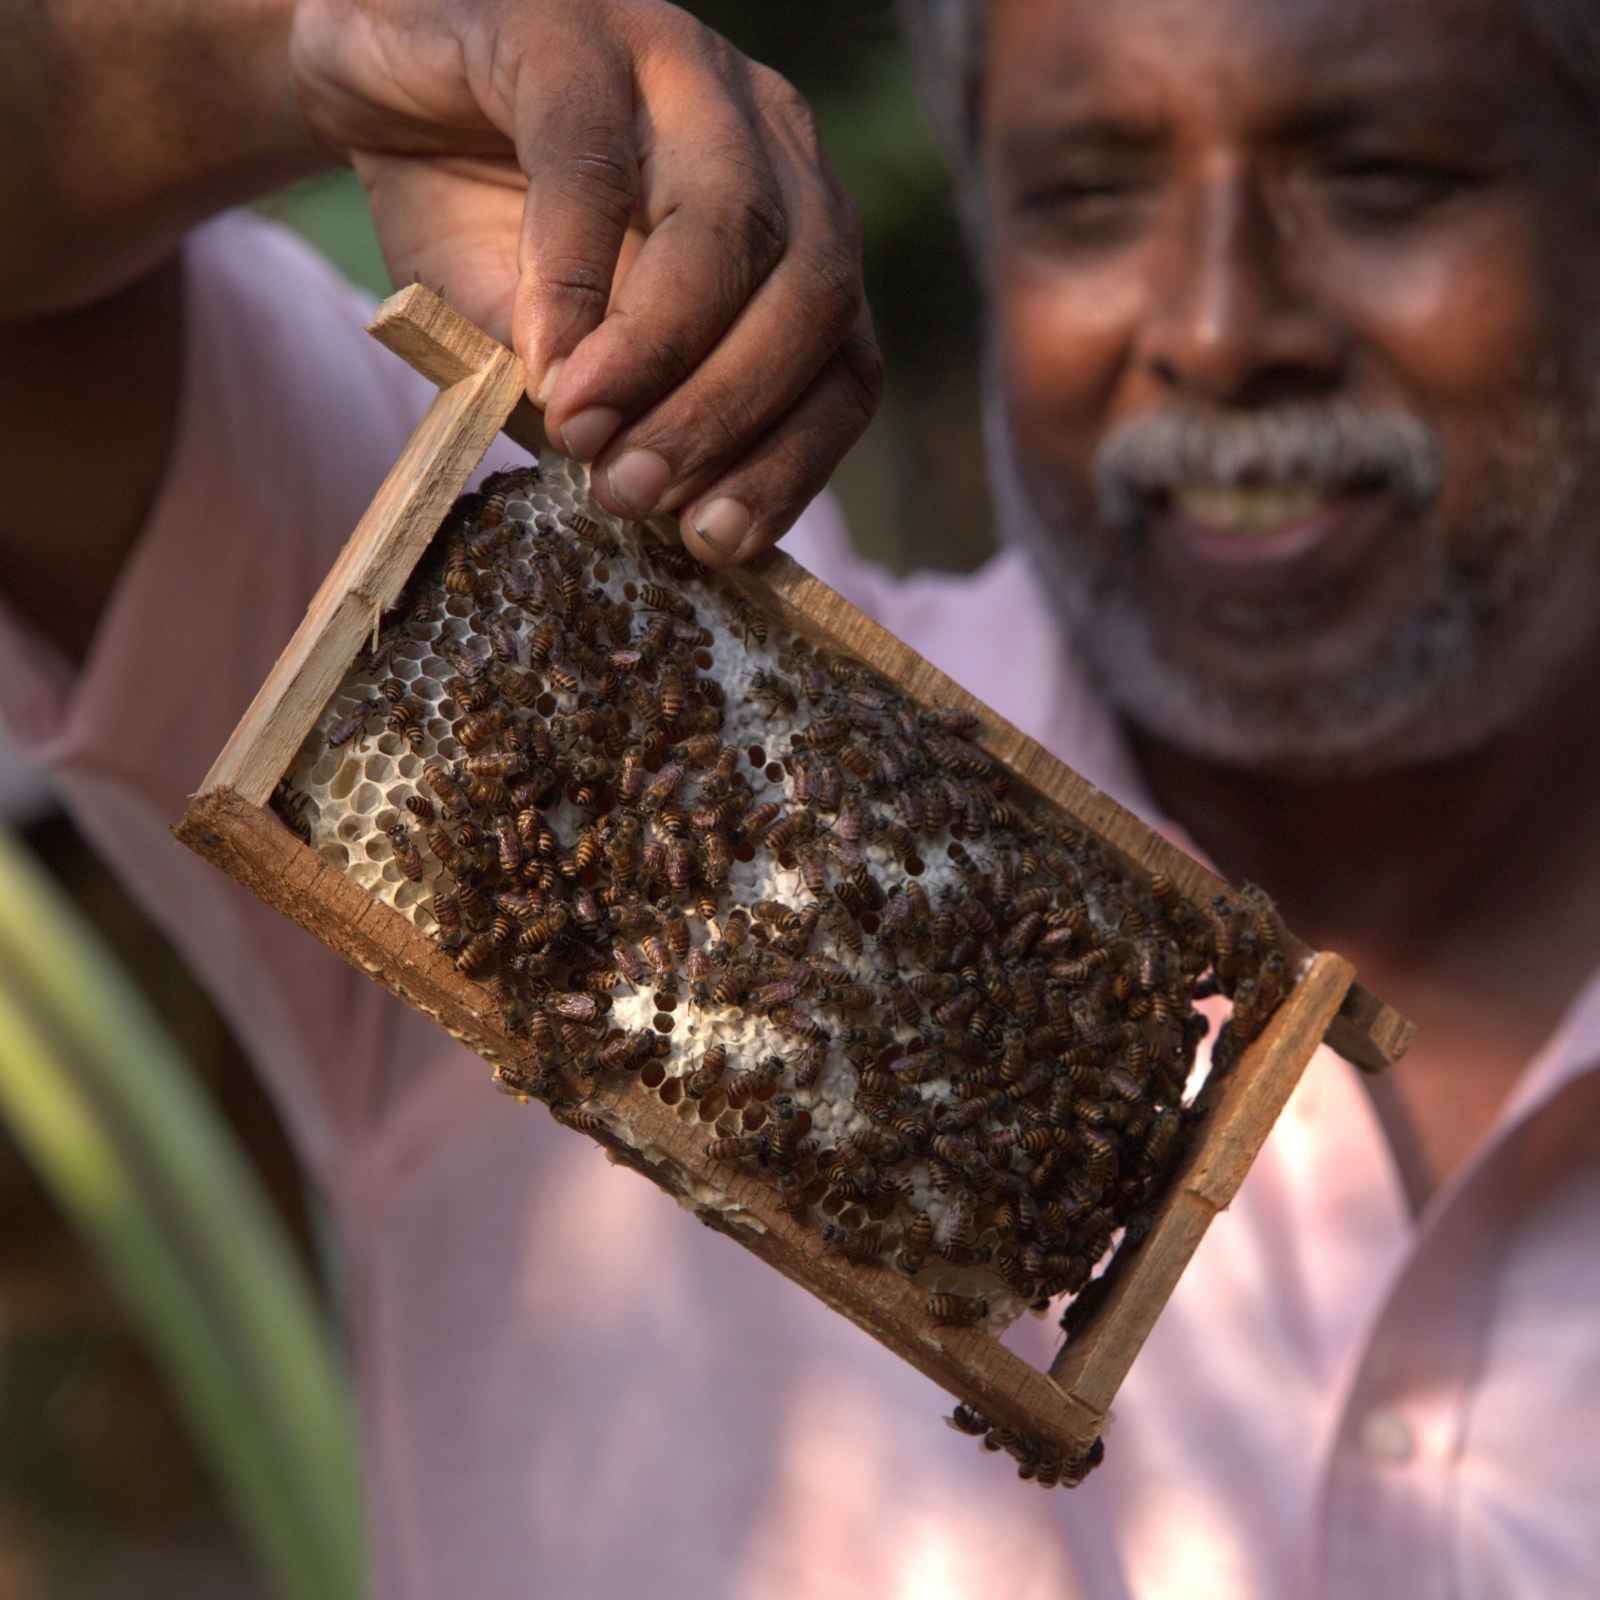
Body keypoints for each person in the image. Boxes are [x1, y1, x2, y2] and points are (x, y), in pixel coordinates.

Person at [3, 0, 1597, 1594]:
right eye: (1088, 195)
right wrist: (292, 35)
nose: (1220, 322)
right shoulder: (611, 668)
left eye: (1384, 176)